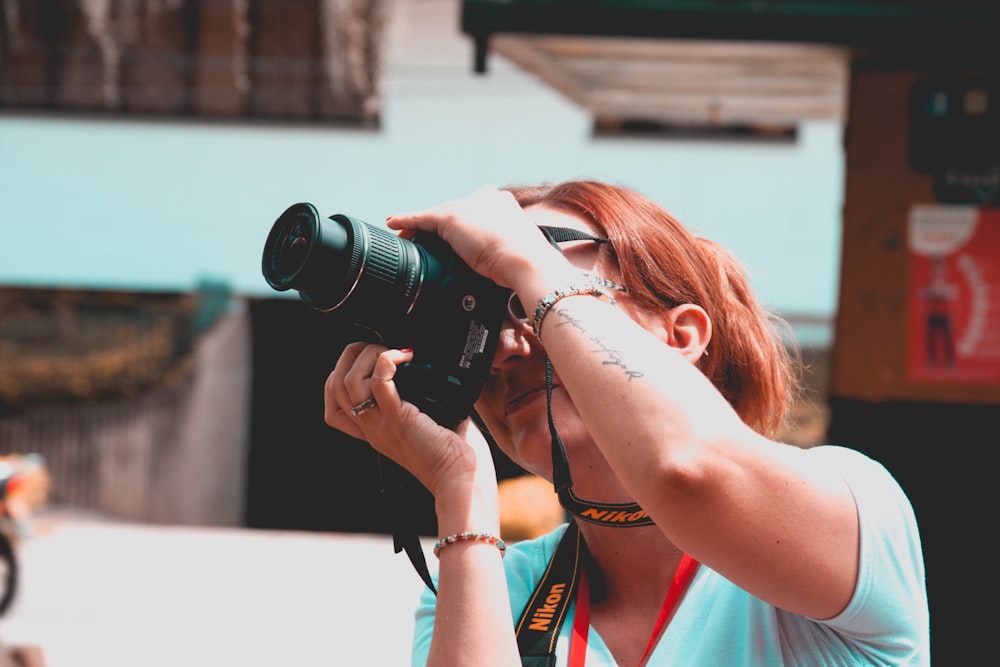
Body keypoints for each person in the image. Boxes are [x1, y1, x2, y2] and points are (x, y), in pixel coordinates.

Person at [323, 180, 929, 665]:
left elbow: (686, 471)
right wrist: (462, 495)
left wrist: (528, 262)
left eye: (525, 297)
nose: (505, 347)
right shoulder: (488, 582)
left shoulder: (856, 508)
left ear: (680, 336)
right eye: (484, 314)